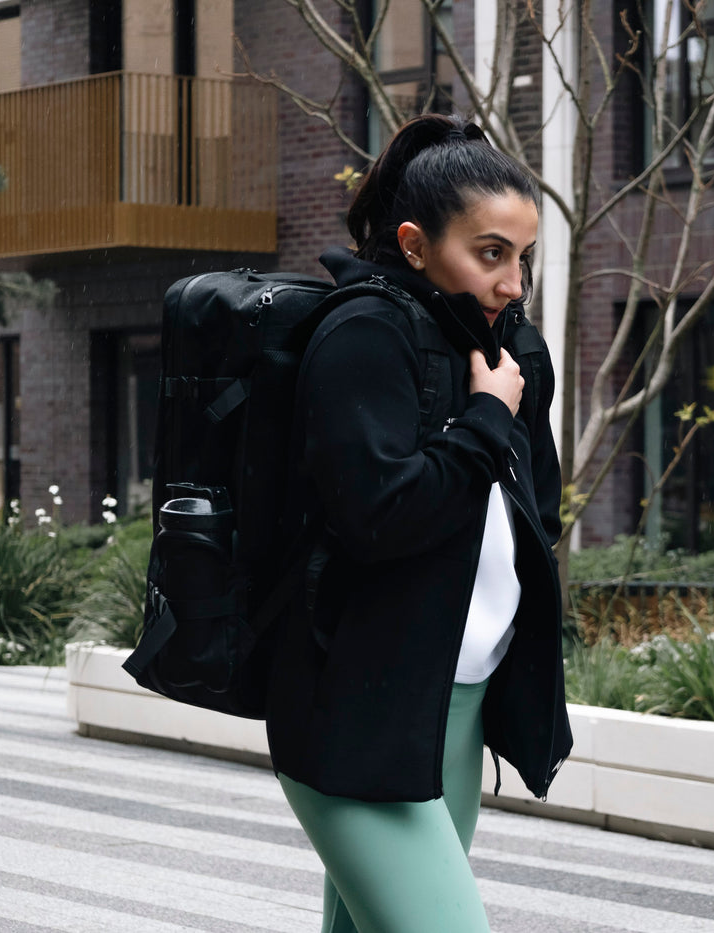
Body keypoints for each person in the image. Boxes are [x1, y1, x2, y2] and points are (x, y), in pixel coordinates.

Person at [266, 113, 572, 933]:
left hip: (455, 705)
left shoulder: (512, 350)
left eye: (523, 257)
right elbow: (378, 515)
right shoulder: (363, 334)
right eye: (491, 253)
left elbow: (535, 504)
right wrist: (480, 421)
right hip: (356, 712)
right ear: (413, 244)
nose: (513, 281)